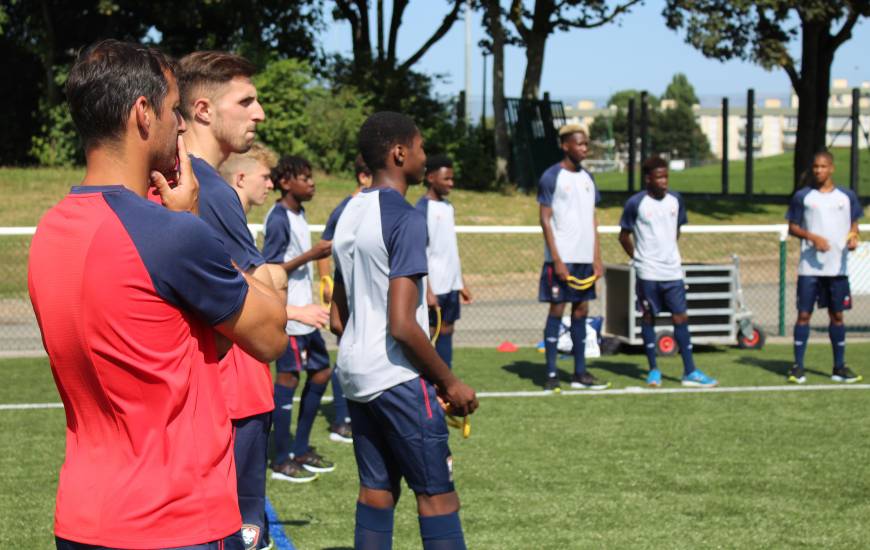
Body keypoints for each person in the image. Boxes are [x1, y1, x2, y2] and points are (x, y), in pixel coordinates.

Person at [28, 40, 288, 550]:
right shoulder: (170, 233)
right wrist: (193, 224)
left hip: (83, 518)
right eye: (174, 110)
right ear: (143, 113)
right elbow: (271, 333)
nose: (183, 126)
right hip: (177, 520)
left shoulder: (49, 231)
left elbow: (172, 346)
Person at [178, 51, 327, 549]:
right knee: (240, 525)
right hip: (225, 393)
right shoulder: (209, 187)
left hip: (197, 397)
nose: (260, 113)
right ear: (203, 110)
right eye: (247, 101)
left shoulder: (183, 178)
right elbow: (264, 308)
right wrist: (275, 295)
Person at [330, 111, 479, 550]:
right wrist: (448, 381)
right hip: (395, 377)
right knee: (437, 496)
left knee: (376, 491)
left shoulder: (347, 212)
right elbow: (401, 325)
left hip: (355, 376)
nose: (424, 157)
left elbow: (339, 319)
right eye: (421, 148)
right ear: (400, 154)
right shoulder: (406, 217)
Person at [263, 155, 337, 481]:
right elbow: (270, 269)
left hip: (306, 314)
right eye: (304, 178)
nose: (312, 183)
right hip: (290, 316)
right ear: (285, 183)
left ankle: (301, 447)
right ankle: (280, 459)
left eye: (311, 177)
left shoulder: (299, 213)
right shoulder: (278, 218)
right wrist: (311, 255)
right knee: (288, 379)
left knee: (321, 372)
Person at [618, 157, 718, 388]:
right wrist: (639, 258)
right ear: (648, 179)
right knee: (649, 318)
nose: (664, 182)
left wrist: (668, 253)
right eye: (659, 177)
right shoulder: (636, 203)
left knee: (680, 317)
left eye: (666, 177)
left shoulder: (676, 200)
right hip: (648, 273)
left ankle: (690, 371)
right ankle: (653, 370)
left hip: (673, 272)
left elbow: (676, 231)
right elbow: (623, 236)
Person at [537, 124, 608, 391]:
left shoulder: (588, 178)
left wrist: (597, 258)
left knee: (582, 310)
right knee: (557, 309)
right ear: (565, 145)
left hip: (585, 260)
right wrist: (557, 260)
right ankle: (551, 374)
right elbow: (544, 219)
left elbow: (592, 218)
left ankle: (580, 373)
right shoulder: (551, 176)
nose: (584, 148)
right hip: (561, 259)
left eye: (586, 144)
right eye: (579, 144)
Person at [786, 151, 863, 384]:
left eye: (822, 167)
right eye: (815, 167)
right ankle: (797, 367)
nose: (818, 171)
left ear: (831, 168)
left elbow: (854, 224)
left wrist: (853, 238)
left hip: (837, 269)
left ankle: (839, 367)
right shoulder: (804, 196)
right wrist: (812, 237)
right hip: (809, 269)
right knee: (804, 315)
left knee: (837, 316)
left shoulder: (846, 196)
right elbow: (792, 226)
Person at [314, 153, 375, 443]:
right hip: (348, 295)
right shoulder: (346, 209)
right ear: (364, 178)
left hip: (366, 294)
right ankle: (342, 419)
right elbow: (324, 246)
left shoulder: (371, 207)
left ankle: (359, 411)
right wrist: (326, 282)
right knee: (347, 352)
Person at [415, 154, 472, 369]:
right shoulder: (422, 210)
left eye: (452, 178)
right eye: (446, 179)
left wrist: (461, 283)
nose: (451, 183)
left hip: (450, 285)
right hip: (434, 287)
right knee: (430, 333)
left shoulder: (448, 207)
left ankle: (445, 378)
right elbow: (419, 252)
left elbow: (449, 249)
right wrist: (428, 290)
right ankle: (427, 382)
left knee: (448, 329)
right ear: (430, 177)